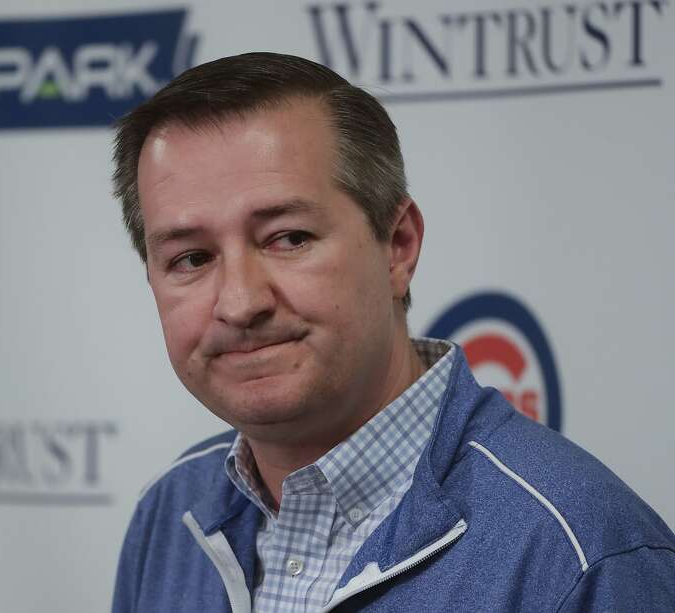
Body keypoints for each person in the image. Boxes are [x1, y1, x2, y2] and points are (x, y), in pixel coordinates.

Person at [109, 52, 675, 612]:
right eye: (191, 258)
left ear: (398, 245)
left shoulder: (584, 557)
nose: (239, 303)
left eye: (289, 238)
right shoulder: (169, 513)